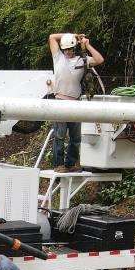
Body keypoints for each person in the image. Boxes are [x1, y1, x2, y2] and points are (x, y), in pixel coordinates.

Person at [47, 32, 105, 172]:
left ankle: (71, 164)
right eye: (65, 49)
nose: (67, 52)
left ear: (74, 48)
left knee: (76, 137)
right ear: (62, 49)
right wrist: (73, 34)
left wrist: (87, 44)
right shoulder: (58, 57)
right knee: (59, 135)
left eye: (70, 49)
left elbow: (99, 59)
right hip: (60, 101)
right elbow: (52, 37)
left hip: (75, 103)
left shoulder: (82, 60)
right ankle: (58, 165)